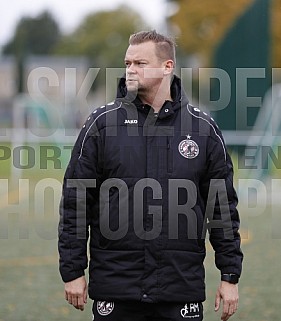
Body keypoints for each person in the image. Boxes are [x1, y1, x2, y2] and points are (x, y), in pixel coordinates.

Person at [58, 30, 243, 321]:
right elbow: (76, 202)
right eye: (127, 63)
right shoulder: (101, 124)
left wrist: (230, 275)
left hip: (180, 288)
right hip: (116, 288)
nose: (130, 69)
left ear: (167, 66)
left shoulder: (203, 129)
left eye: (140, 63)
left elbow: (222, 209)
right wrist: (72, 271)